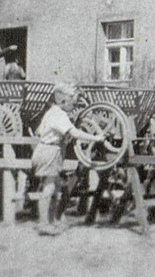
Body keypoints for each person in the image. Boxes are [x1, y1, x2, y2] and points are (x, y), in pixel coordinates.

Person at [32, 83, 102, 235]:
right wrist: (96, 138)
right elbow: (75, 133)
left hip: (49, 150)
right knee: (49, 187)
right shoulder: (59, 115)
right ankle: (43, 224)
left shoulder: (52, 112)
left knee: (55, 186)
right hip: (49, 152)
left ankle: (51, 221)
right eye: (72, 103)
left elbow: (40, 131)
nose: (74, 106)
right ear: (63, 101)